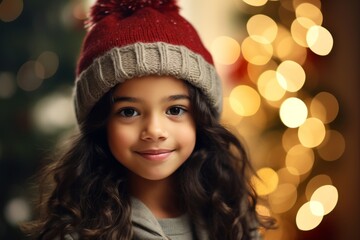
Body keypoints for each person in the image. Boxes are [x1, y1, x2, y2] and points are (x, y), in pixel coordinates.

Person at [23, 0, 274, 239]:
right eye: (129, 112)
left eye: (175, 110)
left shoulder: (232, 215)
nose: (154, 131)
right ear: (101, 123)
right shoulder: (79, 229)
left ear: (201, 118)